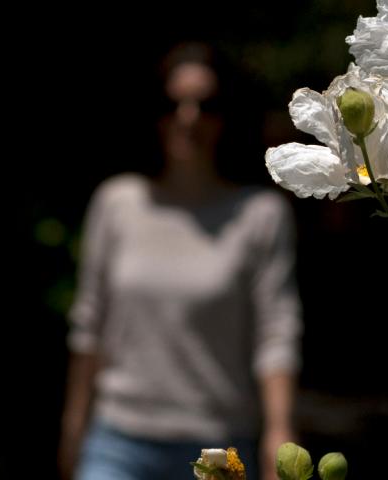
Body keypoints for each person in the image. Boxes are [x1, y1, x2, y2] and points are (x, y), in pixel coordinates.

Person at [59, 43, 302, 480]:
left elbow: (276, 334)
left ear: (227, 114)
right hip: (118, 440)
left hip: (218, 446)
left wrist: (279, 432)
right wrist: (74, 427)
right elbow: (88, 326)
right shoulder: (117, 204)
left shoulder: (260, 215)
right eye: (173, 104)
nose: (188, 118)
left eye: (206, 105)